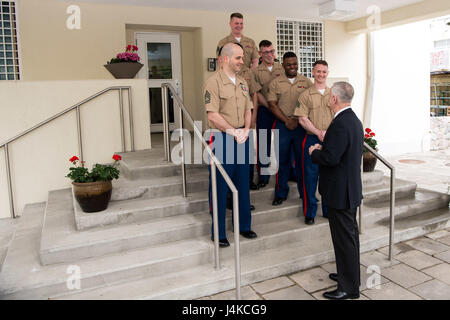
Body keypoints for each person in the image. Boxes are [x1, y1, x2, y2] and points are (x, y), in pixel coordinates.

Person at [309, 81, 363, 300]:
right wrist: (326, 149)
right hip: (347, 189)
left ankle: (349, 288)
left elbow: (331, 158)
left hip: (341, 192)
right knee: (347, 239)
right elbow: (341, 152)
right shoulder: (352, 120)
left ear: (335, 99)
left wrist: (315, 152)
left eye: (330, 95)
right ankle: (347, 275)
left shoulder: (341, 123)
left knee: (345, 240)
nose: (328, 98)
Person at [203, 43, 258, 247]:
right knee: (219, 186)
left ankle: (244, 226)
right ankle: (218, 232)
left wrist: (245, 129)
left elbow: (248, 109)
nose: (242, 61)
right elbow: (213, 115)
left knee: (243, 183)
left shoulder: (243, 82)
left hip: (242, 138)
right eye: (238, 58)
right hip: (222, 138)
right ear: (225, 58)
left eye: (242, 58)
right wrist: (233, 131)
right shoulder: (213, 83)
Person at [267, 52, 313, 206]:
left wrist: (299, 120)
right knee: (283, 161)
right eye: (289, 64)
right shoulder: (276, 83)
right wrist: (287, 120)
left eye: (295, 63)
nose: (292, 67)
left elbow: (312, 104)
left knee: (302, 162)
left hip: (301, 126)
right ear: (283, 66)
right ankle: (281, 193)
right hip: (283, 125)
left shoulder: (306, 82)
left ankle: (305, 193)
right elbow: (272, 105)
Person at [294, 60, 333, 225]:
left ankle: (327, 209)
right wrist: (318, 132)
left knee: (329, 177)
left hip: (331, 139)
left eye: (324, 72)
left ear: (327, 73)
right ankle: (309, 212)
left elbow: (339, 116)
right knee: (310, 177)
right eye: (318, 71)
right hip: (311, 139)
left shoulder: (334, 94)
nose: (321, 75)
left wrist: (328, 133)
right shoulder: (305, 95)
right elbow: (302, 119)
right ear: (313, 72)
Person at [249, 40, 284, 189]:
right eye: (266, 52)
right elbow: (256, 92)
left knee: (283, 142)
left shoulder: (282, 68)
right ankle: (263, 175)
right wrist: (270, 106)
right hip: (265, 109)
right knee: (263, 142)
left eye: (271, 51)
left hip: (282, 110)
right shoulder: (255, 72)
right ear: (260, 54)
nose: (269, 55)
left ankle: (287, 173)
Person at [217, 12, 259, 83]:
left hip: (247, 79)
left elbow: (255, 61)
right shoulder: (223, 42)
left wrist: (249, 74)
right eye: (236, 23)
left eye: (241, 23)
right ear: (230, 24)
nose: (239, 26)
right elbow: (220, 62)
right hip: (230, 79)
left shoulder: (250, 42)